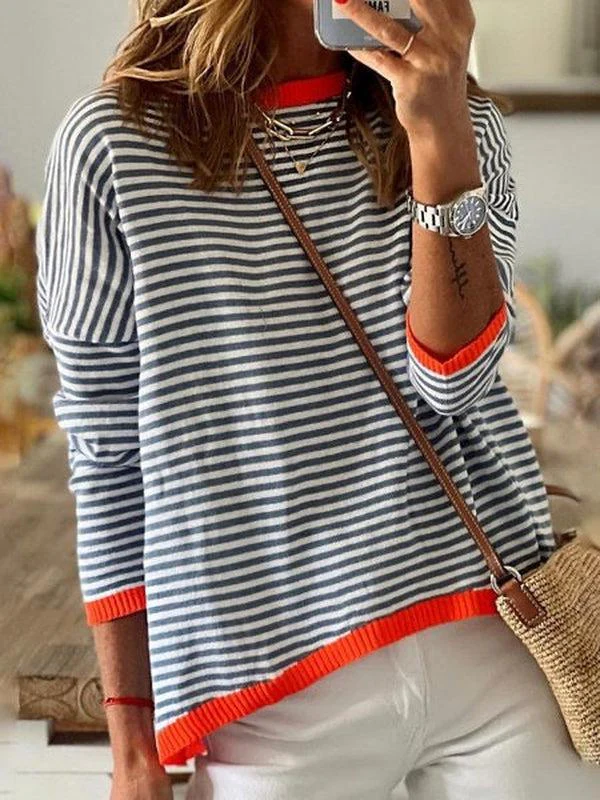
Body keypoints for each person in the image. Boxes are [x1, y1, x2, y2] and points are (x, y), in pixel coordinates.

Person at [35, 0, 600, 798]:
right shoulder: (113, 145)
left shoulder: (457, 117)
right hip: (271, 685)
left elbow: (455, 383)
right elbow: (106, 459)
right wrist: (133, 747)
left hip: (498, 641)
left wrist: (438, 130)